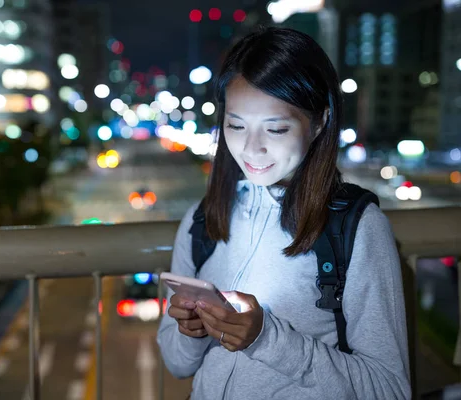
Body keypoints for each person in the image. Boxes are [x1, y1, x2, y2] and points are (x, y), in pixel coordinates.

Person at [156, 27, 411, 400]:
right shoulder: (202, 220)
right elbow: (178, 365)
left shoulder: (356, 227)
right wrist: (192, 330)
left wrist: (266, 338)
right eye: (236, 125)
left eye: (275, 129)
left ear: (320, 121)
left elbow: (388, 389)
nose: (252, 148)